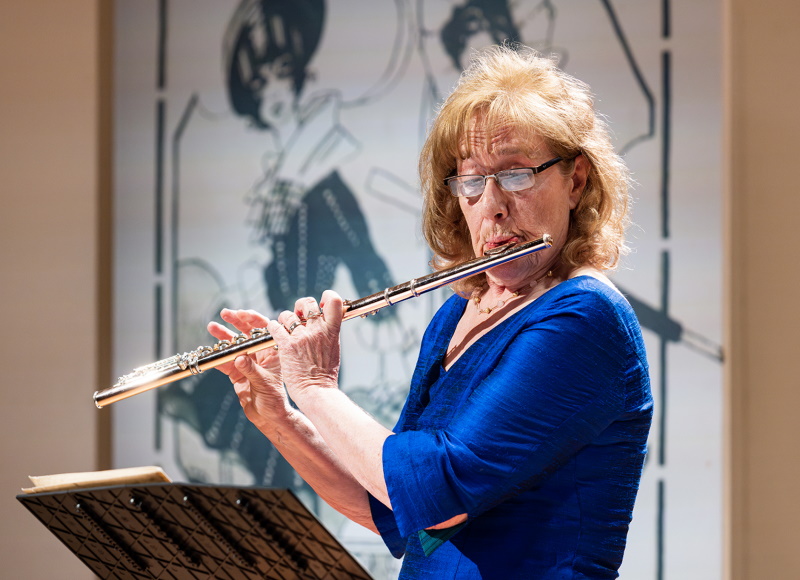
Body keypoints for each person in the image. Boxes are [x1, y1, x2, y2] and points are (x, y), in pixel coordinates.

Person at [208, 44, 652, 579]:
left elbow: (439, 491)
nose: (492, 204)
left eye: (515, 174)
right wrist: (280, 413)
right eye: (471, 180)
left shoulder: (584, 319)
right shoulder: (456, 315)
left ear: (576, 179)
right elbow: (393, 510)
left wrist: (316, 386)